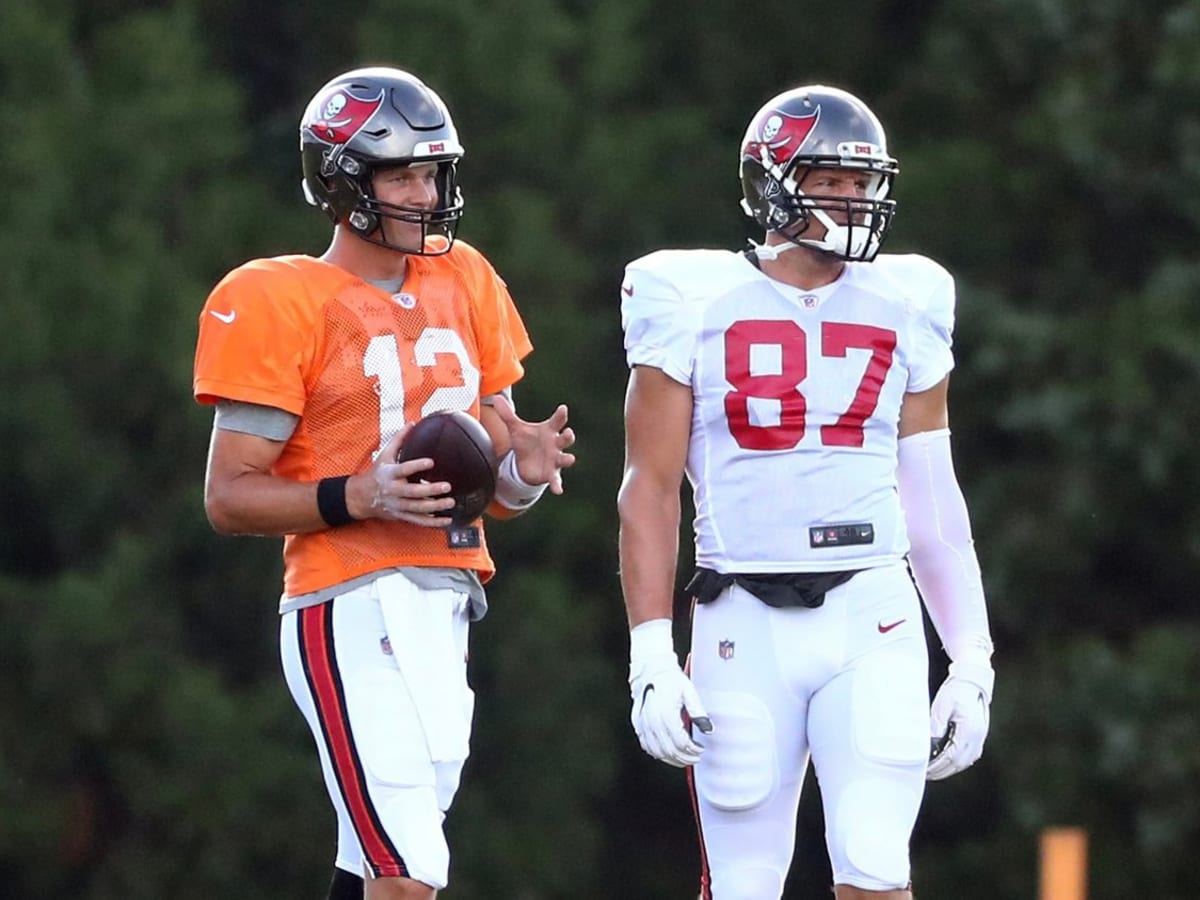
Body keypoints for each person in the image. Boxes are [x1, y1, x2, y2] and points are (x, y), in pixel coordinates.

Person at [193, 66, 575, 900]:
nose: (425, 190)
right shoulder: (279, 297)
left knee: (374, 866)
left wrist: (525, 470)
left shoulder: (464, 277)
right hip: (349, 601)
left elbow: (494, 494)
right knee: (409, 873)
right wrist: (356, 495)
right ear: (344, 182)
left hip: (448, 600)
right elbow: (229, 497)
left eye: (432, 171)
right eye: (402, 172)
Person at [617, 84, 994, 899]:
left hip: (874, 614)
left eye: (863, 184)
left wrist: (971, 658)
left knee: (875, 869)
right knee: (744, 885)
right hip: (739, 621)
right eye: (831, 181)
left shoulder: (910, 297)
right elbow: (647, 489)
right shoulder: (686, 296)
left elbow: (932, 498)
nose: (853, 202)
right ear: (774, 182)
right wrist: (650, 651)